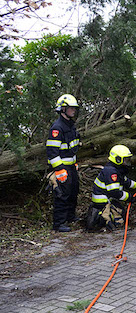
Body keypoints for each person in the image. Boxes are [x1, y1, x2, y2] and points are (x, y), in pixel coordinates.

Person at [87, 145, 136, 231]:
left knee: (121, 212)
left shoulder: (117, 170)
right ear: (118, 159)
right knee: (117, 216)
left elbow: (126, 182)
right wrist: (129, 197)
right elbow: (114, 192)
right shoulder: (111, 172)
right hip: (102, 202)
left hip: (109, 199)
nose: (127, 162)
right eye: (125, 159)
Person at [46, 94, 81, 232]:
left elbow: (72, 148)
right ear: (62, 109)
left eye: (74, 108)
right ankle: (59, 224)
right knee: (62, 195)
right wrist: (59, 169)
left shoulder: (70, 126)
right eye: (71, 108)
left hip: (71, 166)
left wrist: (74, 163)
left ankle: (70, 217)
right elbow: (52, 152)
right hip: (62, 167)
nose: (73, 110)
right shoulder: (57, 128)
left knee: (73, 192)